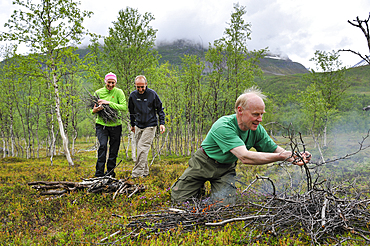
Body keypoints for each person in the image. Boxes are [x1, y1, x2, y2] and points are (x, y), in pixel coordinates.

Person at [171, 87, 311, 205]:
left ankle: (206, 195)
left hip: (226, 169)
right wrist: (281, 157)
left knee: (223, 207)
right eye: (256, 114)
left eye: (262, 114)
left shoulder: (256, 128)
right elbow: (245, 157)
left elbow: (275, 149)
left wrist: (294, 157)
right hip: (202, 163)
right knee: (179, 201)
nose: (260, 119)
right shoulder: (223, 126)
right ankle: (197, 189)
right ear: (240, 110)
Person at [128, 75, 166, 178]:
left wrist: (162, 123)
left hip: (150, 125)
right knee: (141, 150)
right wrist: (132, 125)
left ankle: (136, 174)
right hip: (138, 125)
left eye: (142, 87)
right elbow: (131, 111)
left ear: (146, 85)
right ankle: (144, 172)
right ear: (135, 86)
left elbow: (160, 109)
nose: (140, 89)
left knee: (142, 148)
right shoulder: (133, 96)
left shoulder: (152, 94)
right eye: (138, 87)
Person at [92, 72, 127, 178]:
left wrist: (107, 103)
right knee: (102, 146)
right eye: (109, 82)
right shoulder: (98, 92)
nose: (111, 85)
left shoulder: (119, 92)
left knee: (114, 149)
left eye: (113, 83)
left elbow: (123, 107)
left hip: (116, 125)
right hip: (101, 124)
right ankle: (99, 173)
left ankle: (110, 173)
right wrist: (96, 109)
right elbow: (92, 110)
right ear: (105, 81)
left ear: (115, 82)